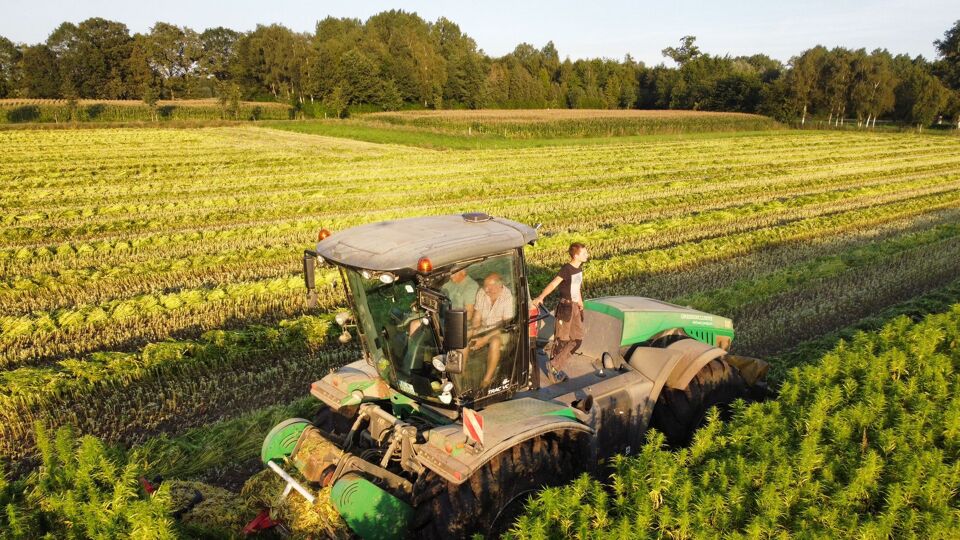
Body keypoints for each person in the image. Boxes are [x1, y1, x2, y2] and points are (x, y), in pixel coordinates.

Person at [532, 242, 589, 383]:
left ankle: (555, 365)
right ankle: (554, 370)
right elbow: (553, 284)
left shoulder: (579, 269)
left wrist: (580, 302)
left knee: (577, 340)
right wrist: (541, 297)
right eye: (584, 253)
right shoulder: (566, 269)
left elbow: (577, 288)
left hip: (575, 307)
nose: (587, 255)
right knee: (561, 341)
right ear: (576, 255)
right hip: (565, 307)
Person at [470, 273, 515, 389]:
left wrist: (484, 339)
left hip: (501, 331)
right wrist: (474, 331)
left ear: (498, 286)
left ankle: (486, 380)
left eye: (488, 287)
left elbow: (506, 325)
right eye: (485, 286)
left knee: (494, 342)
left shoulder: (507, 297)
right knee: (463, 335)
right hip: (484, 327)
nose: (485, 289)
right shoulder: (482, 292)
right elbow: (477, 318)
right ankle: (460, 371)